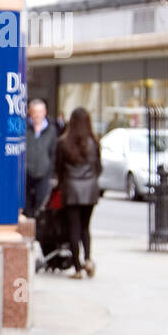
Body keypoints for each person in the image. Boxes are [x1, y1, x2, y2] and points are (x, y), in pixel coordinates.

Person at [55, 106, 102, 278]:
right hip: (90, 190)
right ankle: (88, 259)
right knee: (85, 227)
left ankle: (77, 267)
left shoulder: (63, 142)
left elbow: (58, 168)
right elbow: (98, 167)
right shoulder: (94, 142)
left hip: (72, 189)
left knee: (73, 228)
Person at [24, 97, 58, 217]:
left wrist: (52, 173)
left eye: (40, 112)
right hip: (27, 171)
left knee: (41, 200)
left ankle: (37, 225)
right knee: (26, 203)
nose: (37, 115)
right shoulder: (24, 128)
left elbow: (53, 152)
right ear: (30, 112)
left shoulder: (51, 130)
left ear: (45, 112)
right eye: (35, 112)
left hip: (44, 172)